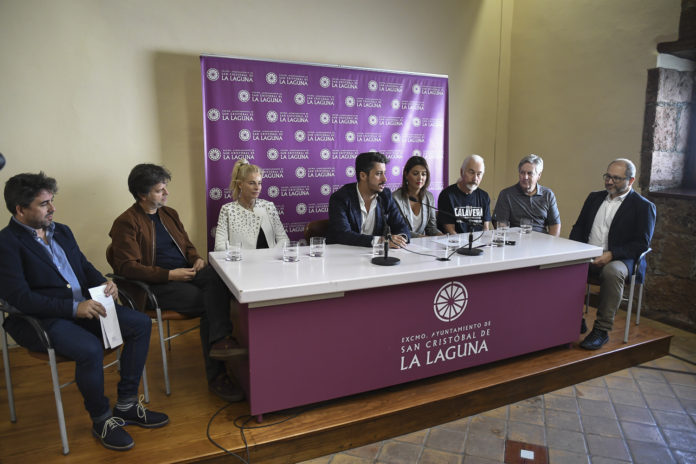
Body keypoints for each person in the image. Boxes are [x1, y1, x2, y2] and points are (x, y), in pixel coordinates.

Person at [0, 172, 168, 451]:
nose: (52, 208)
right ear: (20, 209)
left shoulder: (62, 230)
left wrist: (104, 281)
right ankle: (101, 419)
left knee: (140, 324)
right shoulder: (6, 244)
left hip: (86, 307)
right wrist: (73, 308)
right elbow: (21, 298)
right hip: (40, 319)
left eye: (52, 201)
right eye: (44, 204)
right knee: (89, 348)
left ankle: (126, 404)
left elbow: (83, 266)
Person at [107, 164, 244, 402]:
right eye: (160, 190)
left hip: (186, 273)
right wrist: (170, 275)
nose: (166, 193)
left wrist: (197, 258)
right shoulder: (126, 223)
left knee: (219, 278)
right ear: (142, 194)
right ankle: (217, 373)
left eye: (165, 188)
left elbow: (187, 244)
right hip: (153, 285)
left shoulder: (169, 214)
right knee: (207, 302)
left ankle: (221, 341)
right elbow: (127, 267)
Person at [570, 158, 656, 350]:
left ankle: (601, 330)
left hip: (621, 259)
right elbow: (579, 227)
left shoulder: (643, 207)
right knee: (561, 265)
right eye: (608, 176)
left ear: (631, 180)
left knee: (612, 272)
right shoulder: (594, 198)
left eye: (616, 178)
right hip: (588, 252)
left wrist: (612, 254)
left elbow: (641, 244)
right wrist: (574, 250)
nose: (609, 182)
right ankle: (574, 319)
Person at [327, 151, 410, 247]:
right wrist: (380, 241)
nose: (384, 179)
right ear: (363, 176)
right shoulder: (340, 198)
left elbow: (401, 227)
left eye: (384, 173)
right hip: (342, 255)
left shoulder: (385, 195)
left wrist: (400, 239)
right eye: (379, 174)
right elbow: (343, 235)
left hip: (374, 255)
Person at [214, 159, 288, 251]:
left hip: (270, 262)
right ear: (240, 184)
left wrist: (271, 254)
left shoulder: (269, 206)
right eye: (252, 183)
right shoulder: (227, 210)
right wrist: (246, 256)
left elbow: (284, 240)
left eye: (259, 183)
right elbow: (219, 247)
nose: (257, 187)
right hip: (241, 263)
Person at [493, 154, 561, 236]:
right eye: (522, 173)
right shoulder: (506, 194)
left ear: (539, 175)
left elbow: (555, 225)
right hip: (516, 242)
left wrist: (551, 245)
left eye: (530, 173)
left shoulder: (548, 195)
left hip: (542, 243)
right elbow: (501, 225)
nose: (525, 177)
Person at [437, 154, 491, 233]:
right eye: (471, 172)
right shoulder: (447, 195)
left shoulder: (484, 196)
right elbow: (449, 230)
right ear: (462, 172)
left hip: (479, 243)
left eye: (479, 174)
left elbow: (485, 228)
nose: (475, 178)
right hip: (455, 243)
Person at [393, 156, 443, 238]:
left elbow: (431, 228)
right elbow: (397, 229)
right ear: (406, 175)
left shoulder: (429, 197)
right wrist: (420, 237)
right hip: (402, 244)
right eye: (415, 174)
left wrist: (442, 236)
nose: (420, 178)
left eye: (423, 174)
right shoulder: (395, 198)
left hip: (422, 245)